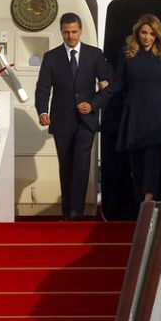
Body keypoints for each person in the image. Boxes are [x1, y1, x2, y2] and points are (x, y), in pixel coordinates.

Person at [35, 12, 113, 221]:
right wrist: (42, 111)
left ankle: (76, 213)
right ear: (61, 32)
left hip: (86, 122)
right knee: (66, 165)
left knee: (81, 165)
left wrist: (93, 104)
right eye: (66, 32)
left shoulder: (94, 55)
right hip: (61, 121)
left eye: (74, 32)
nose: (70, 36)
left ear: (81, 31)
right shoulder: (51, 57)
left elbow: (108, 85)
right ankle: (67, 210)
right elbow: (42, 89)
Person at [108, 13, 161, 206]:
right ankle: (141, 203)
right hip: (135, 113)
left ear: (157, 35)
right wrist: (95, 101)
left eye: (151, 33)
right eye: (143, 32)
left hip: (158, 114)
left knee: (152, 157)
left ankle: (149, 198)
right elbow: (117, 84)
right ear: (137, 33)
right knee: (136, 162)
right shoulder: (128, 53)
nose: (147, 37)